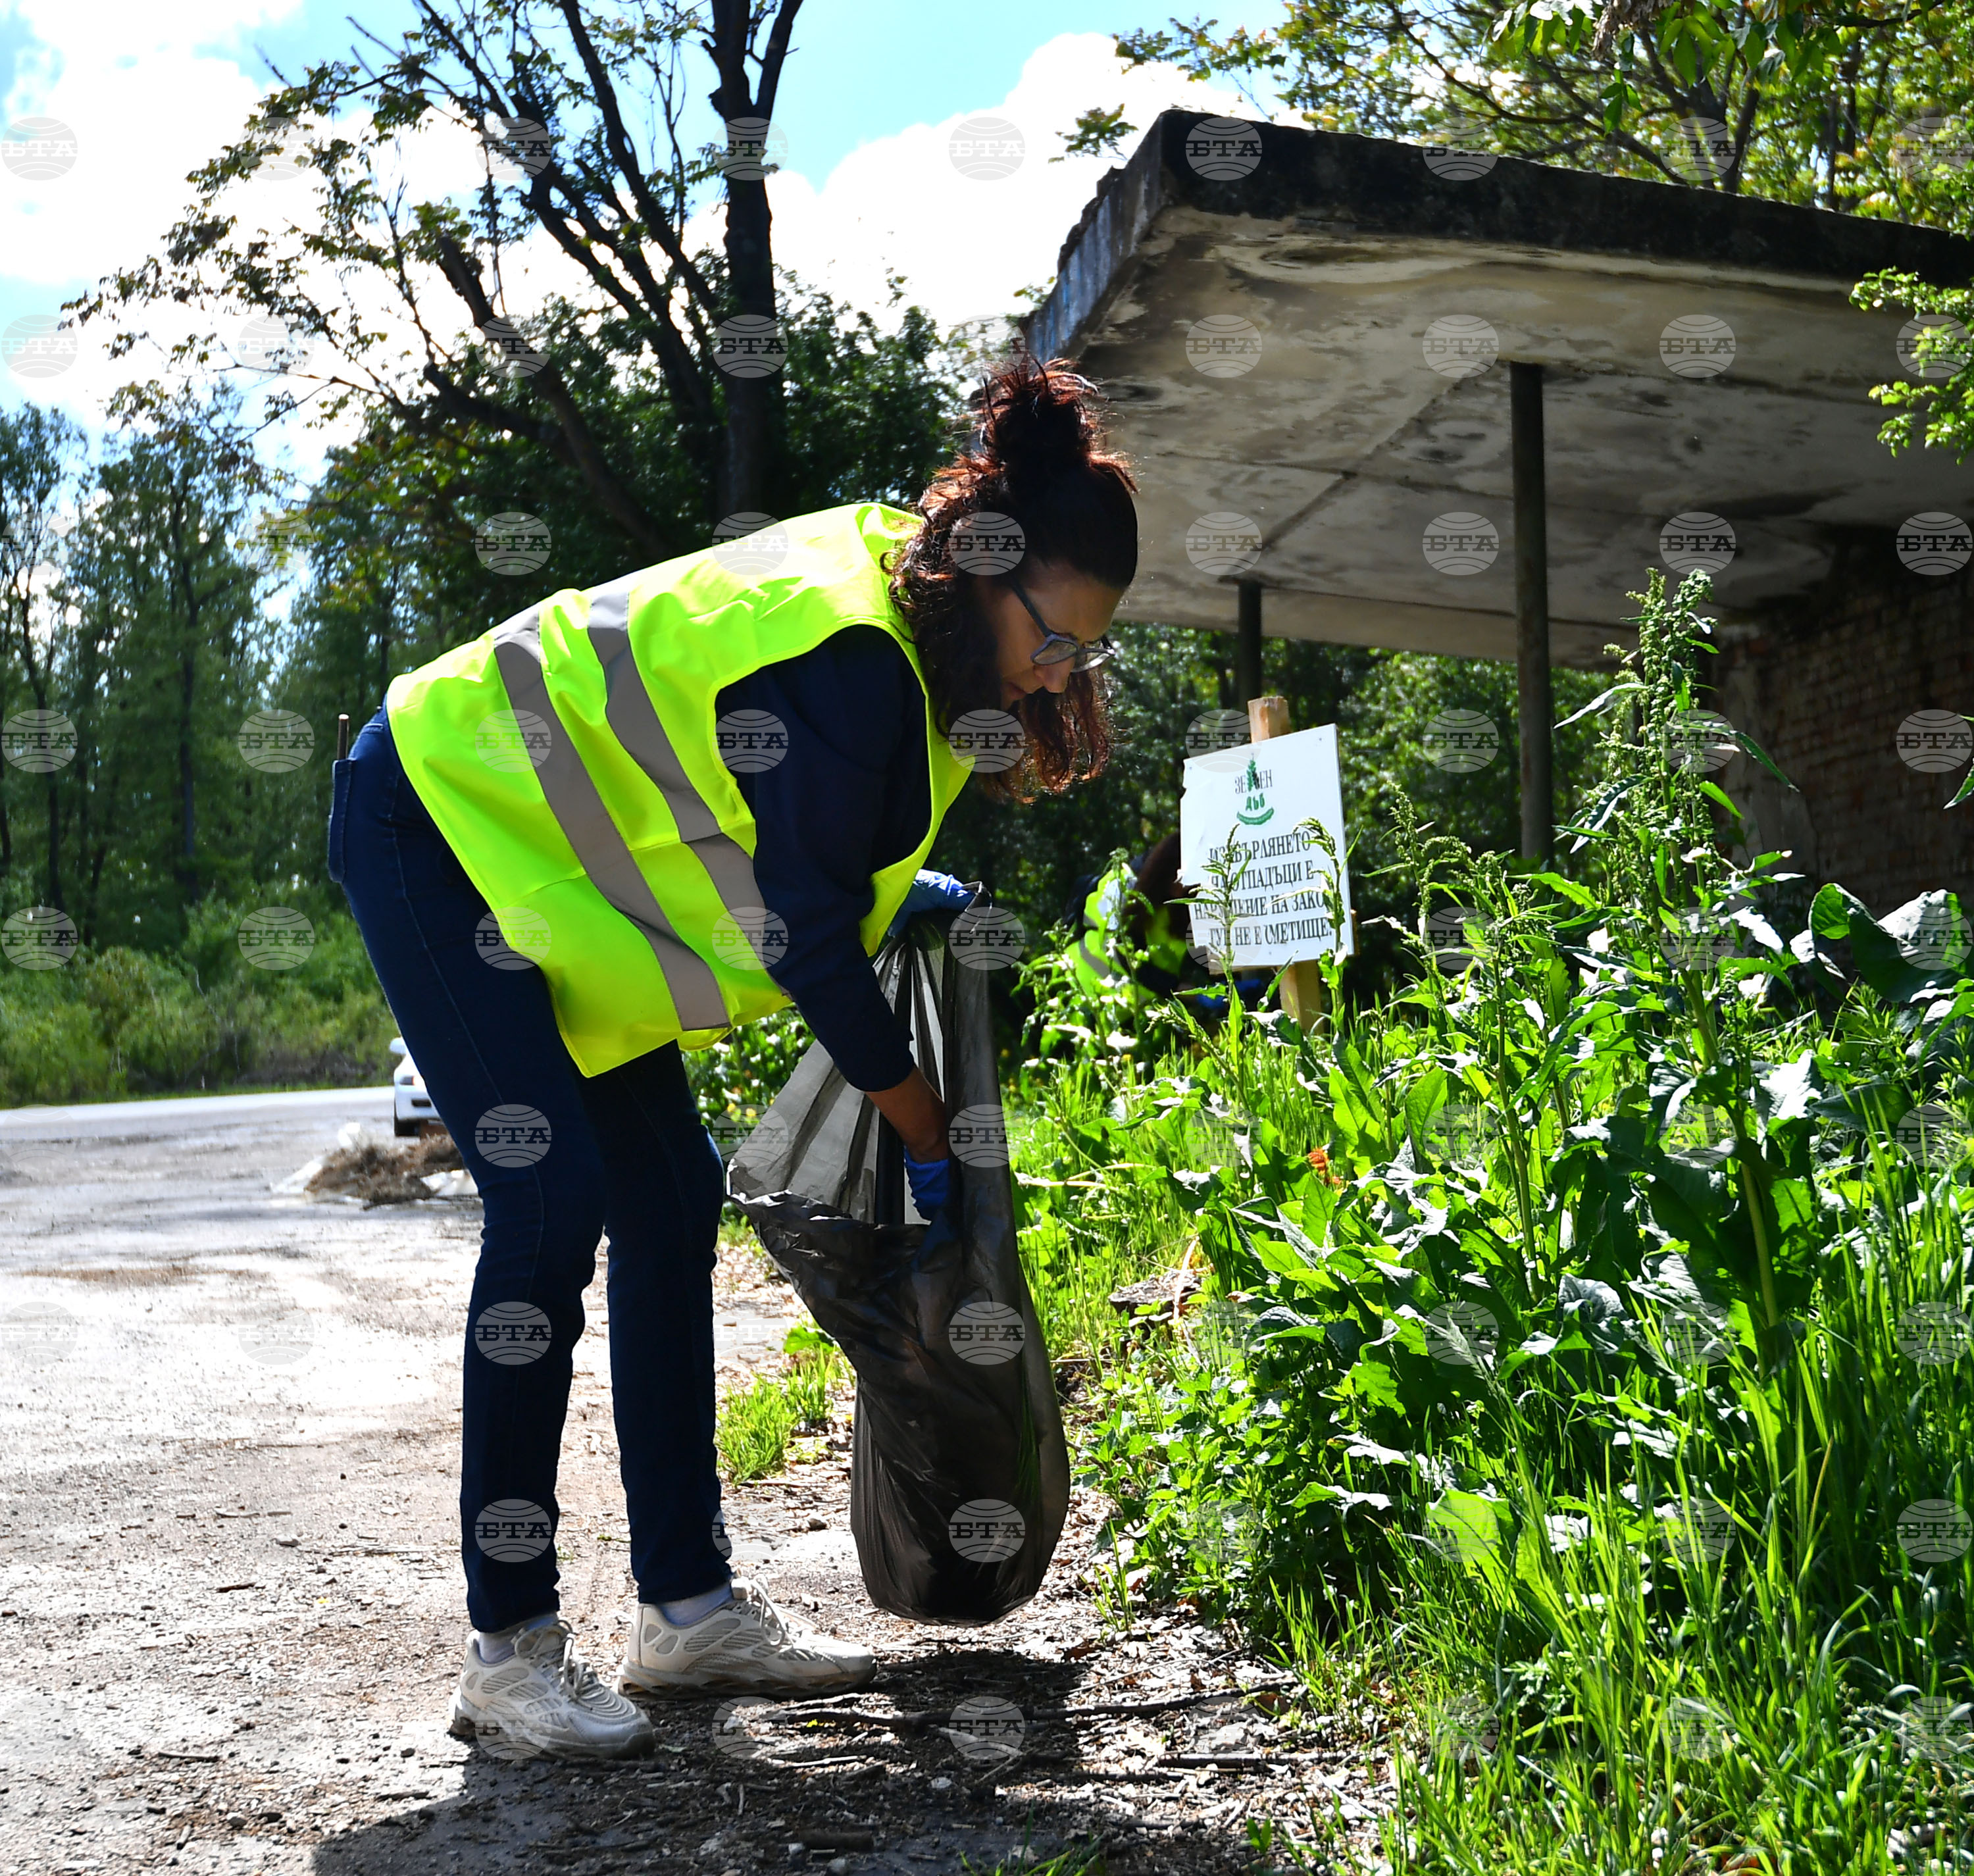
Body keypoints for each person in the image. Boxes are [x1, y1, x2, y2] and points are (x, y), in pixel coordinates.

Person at [326, 355, 1136, 1762]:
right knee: (546, 1202)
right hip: (435, 817)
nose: (1060, 672)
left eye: (1084, 653)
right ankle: (508, 1654)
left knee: (665, 1196)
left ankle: (687, 1611)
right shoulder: (849, 652)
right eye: (1053, 639)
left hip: (542, 877)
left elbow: (818, 855)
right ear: (989, 570)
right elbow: (807, 939)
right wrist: (925, 1129)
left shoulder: (925, 622)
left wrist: (907, 903)